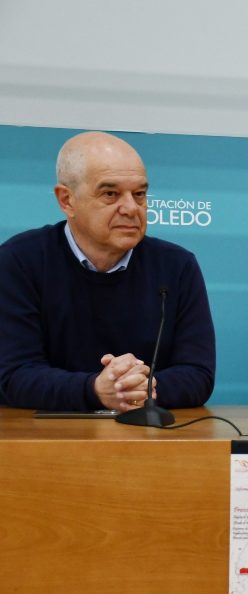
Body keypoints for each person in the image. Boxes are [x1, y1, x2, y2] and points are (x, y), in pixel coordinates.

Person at [0, 131, 216, 411]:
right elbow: (13, 374)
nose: (130, 208)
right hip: (44, 440)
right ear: (67, 200)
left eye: (139, 194)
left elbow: (198, 374)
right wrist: (95, 390)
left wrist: (141, 388)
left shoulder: (177, 266)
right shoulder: (18, 261)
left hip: (149, 440)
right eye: (110, 194)